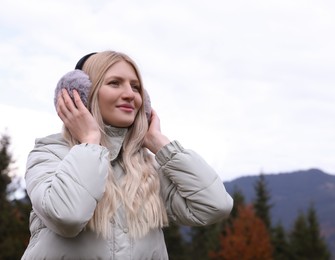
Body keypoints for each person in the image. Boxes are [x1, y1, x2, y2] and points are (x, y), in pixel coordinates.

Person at [22, 50, 233, 259]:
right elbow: (68, 216)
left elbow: (215, 206)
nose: (130, 94)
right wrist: (90, 141)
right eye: (115, 83)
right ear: (82, 94)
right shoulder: (50, 153)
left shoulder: (149, 169)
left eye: (136, 87)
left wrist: (161, 145)